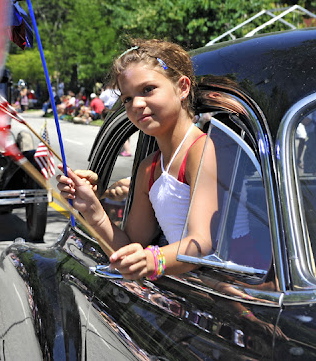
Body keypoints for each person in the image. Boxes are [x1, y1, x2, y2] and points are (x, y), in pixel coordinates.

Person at [57, 39, 217, 281]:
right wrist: (91, 208)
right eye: (127, 99)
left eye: (148, 89)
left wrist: (154, 259)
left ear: (182, 88)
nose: (137, 104)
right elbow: (130, 246)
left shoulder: (203, 149)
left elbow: (201, 244)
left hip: (231, 293)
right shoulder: (148, 169)